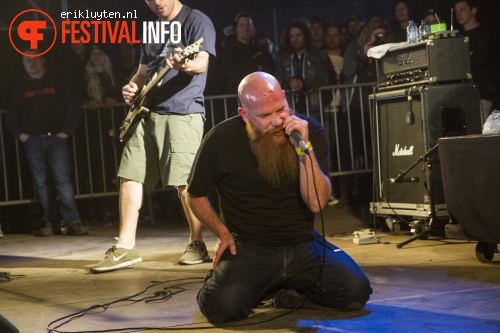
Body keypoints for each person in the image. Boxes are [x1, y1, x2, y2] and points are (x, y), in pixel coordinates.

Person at [187, 72, 371, 323]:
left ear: (285, 98)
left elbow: (316, 202)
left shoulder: (308, 132)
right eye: (265, 116)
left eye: (280, 109)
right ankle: (236, 282)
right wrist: (222, 233)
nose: (277, 121)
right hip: (251, 247)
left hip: (303, 245)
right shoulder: (221, 139)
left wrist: (304, 150)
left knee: (355, 292)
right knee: (222, 308)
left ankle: (282, 295)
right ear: (244, 114)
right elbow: (194, 194)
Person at [90, 0, 216, 273]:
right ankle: (125, 247)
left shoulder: (196, 20)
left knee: (185, 182)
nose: (156, 2)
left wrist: (183, 64)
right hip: (145, 112)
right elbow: (143, 71)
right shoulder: (152, 29)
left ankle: (197, 243)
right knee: (129, 174)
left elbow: (201, 63)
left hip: (182, 112)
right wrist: (131, 86)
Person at [6, 51, 87, 236]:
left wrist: (65, 131)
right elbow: (12, 115)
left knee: (62, 181)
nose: (32, 64)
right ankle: (51, 223)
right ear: (23, 63)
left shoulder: (57, 81)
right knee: (42, 183)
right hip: (33, 141)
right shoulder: (20, 87)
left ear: (43, 60)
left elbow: (74, 105)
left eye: (35, 59)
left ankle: (72, 221)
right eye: (28, 60)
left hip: (56, 139)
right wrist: (22, 135)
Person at [275, 21, 334, 121]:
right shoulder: (283, 57)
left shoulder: (318, 54)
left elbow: (324, 77)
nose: (295, 39)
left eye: (298, 35)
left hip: (314, 107)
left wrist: (304, 83)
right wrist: (289, 84)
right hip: (290, 108)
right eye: (292, 36)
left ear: (305, 36)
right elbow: (278, 79)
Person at [454, 0, 500, 119]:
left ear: (473, 10)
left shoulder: (486, 34)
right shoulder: (457, 37)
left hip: (483, 96)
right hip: (462, 96)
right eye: (456, 11)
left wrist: (464, 59)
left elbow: (480, 60)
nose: (458, 14)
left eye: (462, 10)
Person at [219, 12, 275, 93]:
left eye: (248, 25)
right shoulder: (229, 51)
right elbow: (233, 74)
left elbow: (271, 67)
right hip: (238, 96)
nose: (245, 28)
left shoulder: (260, 49)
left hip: (260, 94)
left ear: (252, 28)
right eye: (241, 25)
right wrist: (257, 70)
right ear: (236, 28)